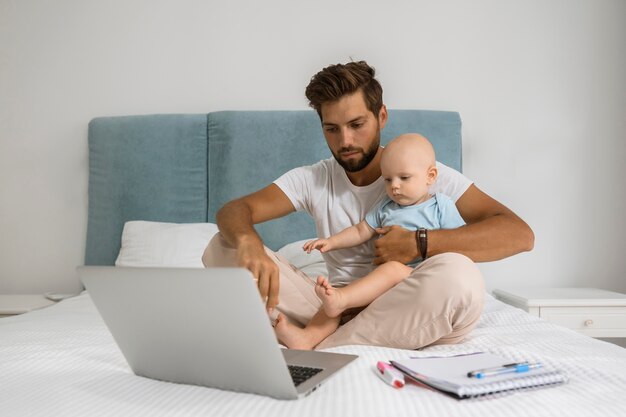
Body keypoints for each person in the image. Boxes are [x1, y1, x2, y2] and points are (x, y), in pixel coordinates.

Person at [202, 60, 534, 350]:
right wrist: (248, 241)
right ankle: (335, 334)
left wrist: (420, 242)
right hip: (336, 303)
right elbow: (234, 210)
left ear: (381, 117)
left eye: (357, 125)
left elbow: (519, 235)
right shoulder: (313, 179)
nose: (345, 141)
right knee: (222, 246)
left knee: (460, 277)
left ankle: (318, 343)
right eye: (332, 129)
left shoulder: (423, 172)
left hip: (411, 304)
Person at [279, 133, 466, 349]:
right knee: (339, 297)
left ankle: (341, 301)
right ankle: (307, 337)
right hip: (383, 287)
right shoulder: (387, 206)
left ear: (430, 176)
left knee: (388, 272)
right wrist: (331, 242)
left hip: (420, 279)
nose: (394, 186)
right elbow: (361, 231)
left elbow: (457, 244)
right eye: (388, 179)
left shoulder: (440, 205)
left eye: (404, 178)